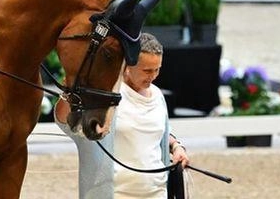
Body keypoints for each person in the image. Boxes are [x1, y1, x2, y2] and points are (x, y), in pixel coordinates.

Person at [55, 32, 190, 198]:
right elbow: (65, 122)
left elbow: (157, 132)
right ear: (127, 65)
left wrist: (176, 146)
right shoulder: (106, 97)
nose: (153, 77)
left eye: (157, 70)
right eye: (147, 70)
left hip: (157, 192)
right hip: (115, 194)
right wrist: (68, 93)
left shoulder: (157, 96)